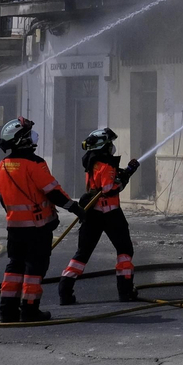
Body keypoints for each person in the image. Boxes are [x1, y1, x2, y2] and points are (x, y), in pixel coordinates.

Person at [0, 117, 83, 323]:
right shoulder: (36, 164)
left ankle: (7, 311)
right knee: (35, 268)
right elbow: (53, 192)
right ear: (22, 140)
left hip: (14, 227)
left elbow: (3, 199)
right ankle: (30, 310)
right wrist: (76, 209)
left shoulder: (3, 165)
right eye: (29, 134)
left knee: (14, 266)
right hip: (38, 228)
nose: (34, 137)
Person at [58, 128, 140, 305]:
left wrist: (125, 172)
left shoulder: (92, 162)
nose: (113, 147)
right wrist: (126, 175)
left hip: (92, 214)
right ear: (105, 145)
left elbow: (103, 183)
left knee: (82, 254)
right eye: (111, 143)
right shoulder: (106, 164)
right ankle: (125, 291)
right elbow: (110, 189)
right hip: (111, 215)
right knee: (125, 250)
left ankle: (65, 290)